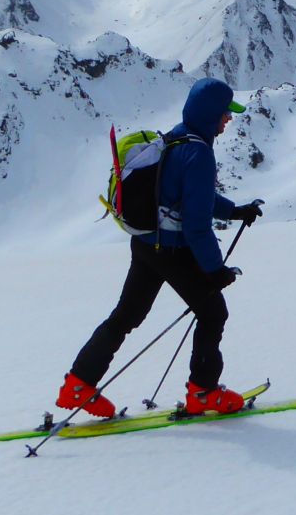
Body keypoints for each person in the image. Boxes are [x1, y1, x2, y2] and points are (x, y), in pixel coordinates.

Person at [58, 77, 264, 418]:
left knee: (126, 316)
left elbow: (185, 195)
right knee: (213, 313)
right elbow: (197, 225)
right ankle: (204, 393)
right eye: (226, 113)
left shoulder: (175, 137)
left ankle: (78, 385)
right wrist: (215, 270)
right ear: (212, 113)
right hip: (171, 250)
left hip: (145, 245)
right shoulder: (198, 153)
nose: (229, 119)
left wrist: (233, 211)